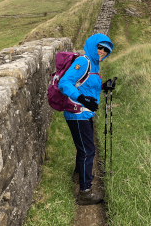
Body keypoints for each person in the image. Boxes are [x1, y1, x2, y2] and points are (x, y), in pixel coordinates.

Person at [58, 33, 116, 205]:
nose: (103, 51)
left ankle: (79, 172)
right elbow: (64, 83)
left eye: (106, 49)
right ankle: (85, 193)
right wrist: (82, 99)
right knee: (88, 150)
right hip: (77, 113)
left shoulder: (94, 65)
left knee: (84, 146)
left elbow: (86, 85)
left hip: (85, 113)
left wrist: (105, 86)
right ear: (92, 46)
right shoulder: (84, 62)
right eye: (100, 47)